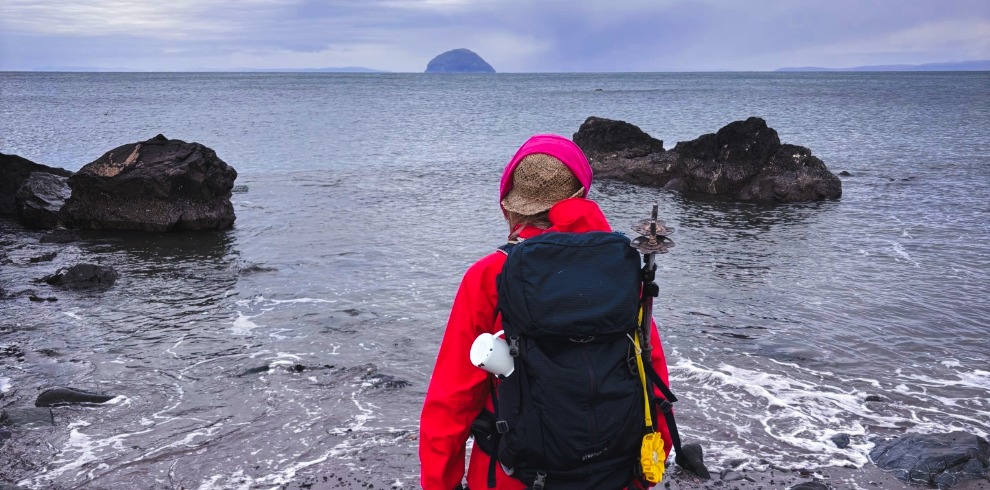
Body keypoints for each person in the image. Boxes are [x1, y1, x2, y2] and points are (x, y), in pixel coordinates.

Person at [420, 134, 674, 490]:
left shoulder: (491, 273)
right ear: (581, 194)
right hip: (613, 471)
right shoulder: (619, 267)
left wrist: (439, 483)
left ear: (509, 202)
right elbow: (650, 369)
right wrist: (649, 465)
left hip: (513, 476)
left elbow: (451, 399)